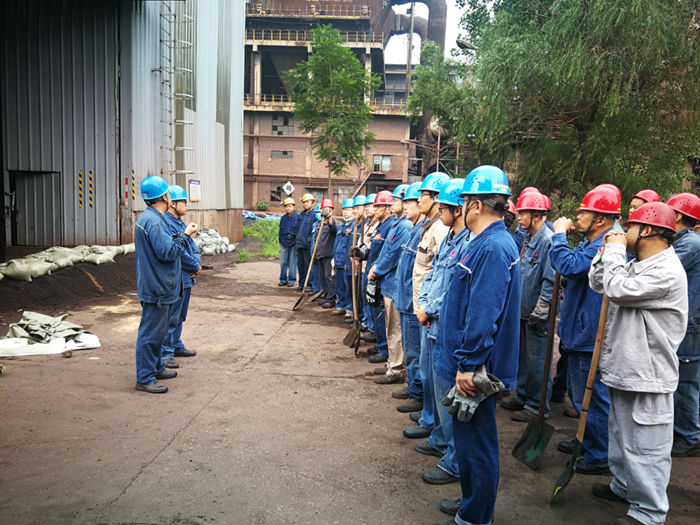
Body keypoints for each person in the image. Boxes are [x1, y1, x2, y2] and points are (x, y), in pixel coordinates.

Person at [588, 202, 687, 525]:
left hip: (649, 374)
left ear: (646, 230)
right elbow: (599, 283)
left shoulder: (666, 270)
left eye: (628, 227)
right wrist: (608, 252)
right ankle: (624, 487)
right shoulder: (637, 264)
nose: (622, 232)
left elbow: (617, 289)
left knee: (647, 448)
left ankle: (649, 512)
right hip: (626, 368)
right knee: (621, 438)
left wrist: (616, 251)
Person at [435, 165, 520, 525]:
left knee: (478, 443)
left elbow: (484, 314)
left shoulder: (493, 247)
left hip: (476, 368)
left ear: (476, 205)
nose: (463, 206)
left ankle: (476, 516)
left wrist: (469, 364)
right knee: (469, 443)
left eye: (465, 200)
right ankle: (471, 502)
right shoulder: (484, 243)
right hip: (467, 361)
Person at [549, 185, 621, 474]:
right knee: (579, 394)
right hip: (579, 329)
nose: (577, 217)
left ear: (600, 219)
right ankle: (586, 439)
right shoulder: (591, 242)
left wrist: (558, 236)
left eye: (583, 213)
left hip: (589, 333)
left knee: (591, 397)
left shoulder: (604, 245)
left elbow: (568, 266)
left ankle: (599, 454)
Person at [414, 178, 471, 489]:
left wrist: (430, 309)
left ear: (457, 209)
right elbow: (434, 274)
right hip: (431, 322)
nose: (440, 212)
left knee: (448, 396)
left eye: (445, 207)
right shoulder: (449, 237)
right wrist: (423, 305)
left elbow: (453, 292)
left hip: (444, 328)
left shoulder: (468, 243)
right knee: (436, 389)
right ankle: (439, 439)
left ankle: (455, 460)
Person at [134, 175, 199, 394]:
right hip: (157, 288)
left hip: (158, 285)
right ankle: (145, 378)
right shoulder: (153, 221)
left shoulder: (153, 218)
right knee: (150, 335)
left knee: (158, 333)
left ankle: (155, 368)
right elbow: (168, 252)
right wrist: (186, 235)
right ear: (164, 197)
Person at [501, 191, 556, 421]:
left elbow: (550, 280)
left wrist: (542, 310)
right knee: (523, 357)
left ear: (537, 215)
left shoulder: (547, 241)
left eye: (523, 213)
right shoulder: (528, 238)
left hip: (537, 313)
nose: (519, 217)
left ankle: (537, 406)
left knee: (538, 361)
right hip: (524, 311)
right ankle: (522, 395)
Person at [412, 173, 451, 428]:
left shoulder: (441, 229)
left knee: (432, 372)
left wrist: (428, 308)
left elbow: (441, 278)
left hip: (431, 314)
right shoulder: (430, 226)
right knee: (426, 369)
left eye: (423, 195)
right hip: (422, 308)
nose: (418, 200)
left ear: (437, 198)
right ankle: (428, 416)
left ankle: (433, 423)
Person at [666, 193, 700, 457]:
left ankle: (688, 436)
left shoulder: (690, 244)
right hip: (686, 321)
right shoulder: (683, 241)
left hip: (690, 324)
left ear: (677, 215)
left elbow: (662, 269)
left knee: (686, 383)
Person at [384, 182, 425, 387]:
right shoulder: (413, 228)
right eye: (405, 201)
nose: (406, 206)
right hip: (402, 294)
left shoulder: (414, 229)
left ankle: (415, 389)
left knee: (412, 348)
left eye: (409, 201)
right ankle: (411, 384)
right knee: (406, 344)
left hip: (412, 300)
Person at [368, 186, 411, 376]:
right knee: (390, 327)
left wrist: (377, 270)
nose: (393, 204)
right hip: (388, 284)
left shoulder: (405, 227)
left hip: (394, 284)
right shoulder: (396, 225)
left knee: (395, 329)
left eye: (397, 201)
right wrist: (375, 266)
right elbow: (385, 251)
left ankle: (396, 368)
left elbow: (393, 254)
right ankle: (392, 363)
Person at [160, 185, 202, 369]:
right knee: (172, 317)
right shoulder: (167, 224)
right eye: (183, 202)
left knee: (180, 316)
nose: (186, 205)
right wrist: (194, 265)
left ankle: (176, 345)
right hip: (177, 275)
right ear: (173, 203)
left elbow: (191, 247)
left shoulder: (179, 223)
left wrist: (197, 263)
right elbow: (178, 251)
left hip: (187, 277)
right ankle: (166, 353)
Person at [353, 192, 395, 363]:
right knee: (374, 310)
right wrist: (361, 253)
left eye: (379, 206)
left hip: (380, 277)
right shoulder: (380, 226)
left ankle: (384, 349)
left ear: (388, 208)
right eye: (375, 206)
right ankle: (380, 343)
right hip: (371, 273)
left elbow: (388, 255)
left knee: (379, 314)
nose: (376, 209)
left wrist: (377, 271)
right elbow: (373, 251)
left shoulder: (391, 227)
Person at [330, 199, 354, 317]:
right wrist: (334, 257)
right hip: (338, 260)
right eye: (344, 210)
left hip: (346, 262)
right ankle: (341, 306)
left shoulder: (354, 226)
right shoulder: (341, 226)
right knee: (339, 285)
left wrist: (348, 261)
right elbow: (336, 243)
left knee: (348, 287)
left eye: (348, 210)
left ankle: (349, 309)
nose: (345, 212)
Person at [315, 199, 338, 309]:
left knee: (329, 277)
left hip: (329, 255)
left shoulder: (333, 222)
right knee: (322, 278)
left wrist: (329, 217)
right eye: (323, 209)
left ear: (332, 210)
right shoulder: (320, 224)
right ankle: (326, 295)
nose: (324, 211)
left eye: (327, 209)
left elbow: (335, 229)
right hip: (320, 255)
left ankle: (331, 299)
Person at [295, 193, 316, 289]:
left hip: (308, 245)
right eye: (304, 202)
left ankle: (308, 284)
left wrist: (310, 240)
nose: (306, 204)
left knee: (308, 266)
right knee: (301, 266)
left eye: (308, 202)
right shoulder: (302, 215)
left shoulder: (314, 215)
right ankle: (301, 283)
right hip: (300, 244)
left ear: (312, 203)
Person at [278, 197, 299, 287]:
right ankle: (283, 279)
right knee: (283, 262)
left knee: (292, 262)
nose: (288, 208)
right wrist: (280, 240)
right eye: (286, 206)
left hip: (293, 242)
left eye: (290, 206)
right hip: (284, 242)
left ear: (293, 207)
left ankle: (291, 280)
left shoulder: (297, 218)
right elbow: (280, 230)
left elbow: (299, 231)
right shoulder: (283, 218)